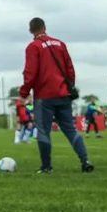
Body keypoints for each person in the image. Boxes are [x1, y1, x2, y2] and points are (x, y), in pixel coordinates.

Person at [18, 17, 94, 174]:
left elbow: (30, 73)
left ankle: (46, 167)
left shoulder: (33, 47)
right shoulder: (60, 44)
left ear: (31, 31)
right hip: (63, 94)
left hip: (44, 96)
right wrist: (68, 87)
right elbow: (70, 69)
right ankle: (85, 160)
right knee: (71, 129)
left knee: (44, 131)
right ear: (45, 27)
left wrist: (24, 93)